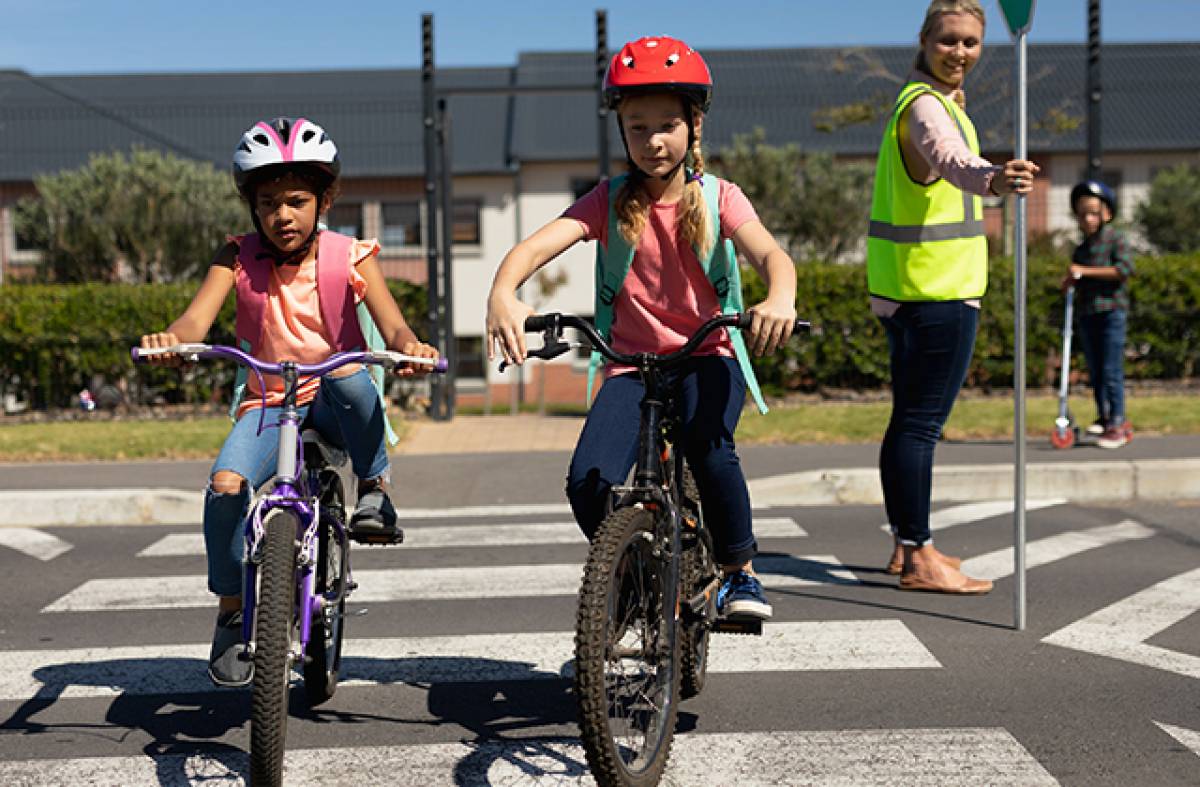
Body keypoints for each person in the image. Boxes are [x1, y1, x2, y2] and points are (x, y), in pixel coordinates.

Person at [486, 36, 798, 621]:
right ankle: (632, 571)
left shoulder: (719, 197)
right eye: (636, 127)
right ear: (621, 132)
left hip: (709, 355)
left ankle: (740, 574)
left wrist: (778, 297)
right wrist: (503, 292)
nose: (653, 141)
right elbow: (532, 249)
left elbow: (771, 255)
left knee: (709, 449)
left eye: (667, 125)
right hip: (632, 365)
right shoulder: (608, 202)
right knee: (588, 480)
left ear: (694, 126)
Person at [139, 117, 438, 686]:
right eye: (269, 202)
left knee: (350, 372)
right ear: (251, 206)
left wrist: (411, 347)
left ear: (325, 199)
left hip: (333, 393)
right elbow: (193, 321)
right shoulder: (235, 258)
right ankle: (231, 612)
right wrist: (170, 343)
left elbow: (393, 328)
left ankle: (375, 490)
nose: (283, 216)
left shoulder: (350, 255)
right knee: (226, 486)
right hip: (267, 402)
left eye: (298, 200)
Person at [867, 0, 1039, 594]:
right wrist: (992, 177)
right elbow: (949, 159)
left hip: (906, 289)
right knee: (920, 427)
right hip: (938, 294)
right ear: (925, 39)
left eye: (971, 42)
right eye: (949, 41)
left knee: (906, 423)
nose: (960, 52)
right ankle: (919, 557)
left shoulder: (924, 103)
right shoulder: (925, 109)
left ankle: (904, 544)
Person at [1063, 180, 1134, 449]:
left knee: (1111, 369)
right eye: (1082, 214)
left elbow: (1124, 270)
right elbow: (1078, 275)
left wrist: (1084, 271)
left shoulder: (1115, 239)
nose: (1087, 219)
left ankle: (1118, 422)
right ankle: (1104, 417)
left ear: (1106, 213)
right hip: (1088, 313)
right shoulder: (1082, 248)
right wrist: (1071, 280)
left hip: (1111, 313)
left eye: (1093, 212)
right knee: (1096, 370)